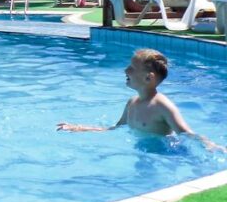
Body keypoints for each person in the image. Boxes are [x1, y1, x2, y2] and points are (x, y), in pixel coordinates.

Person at [57, 49, 225, 152]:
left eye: (132, 68)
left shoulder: (163, 106)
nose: (125, 70)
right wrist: (79, 128)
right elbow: (114, 129)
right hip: (142, 151)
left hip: (167, 155)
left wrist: (210, 145)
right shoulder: (132, 103)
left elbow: (186, 133)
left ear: (148, 77)